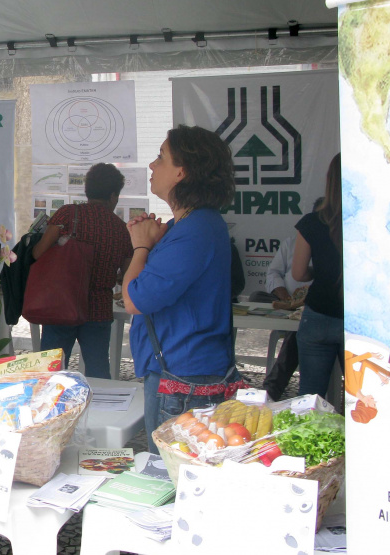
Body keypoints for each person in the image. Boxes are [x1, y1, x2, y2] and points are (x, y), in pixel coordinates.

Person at [122, 125, 246, 454]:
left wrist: (140, 247)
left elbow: (135, 298)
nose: (152, 166)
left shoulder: (197, 228)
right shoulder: (187, 225)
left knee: (172, 473)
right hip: (180, 370)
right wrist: (152, 241)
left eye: (160, 157)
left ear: (182, 171)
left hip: (184, 378)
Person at [31, 163, 133, 377]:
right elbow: (127, 275)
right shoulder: (121, 229)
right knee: (98, 372)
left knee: (49, 374)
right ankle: (101, 409)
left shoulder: (67, 215)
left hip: (61, 305)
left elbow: (38, 253)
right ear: (113, 196)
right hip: (98, 310)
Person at [293, 154, 344, 397]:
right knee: (366, 398)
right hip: (358, 320)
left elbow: (299, 273)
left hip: (318, 315)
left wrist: (321, 271)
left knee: (310, 400)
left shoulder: (312, 222)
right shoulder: (373, 219)